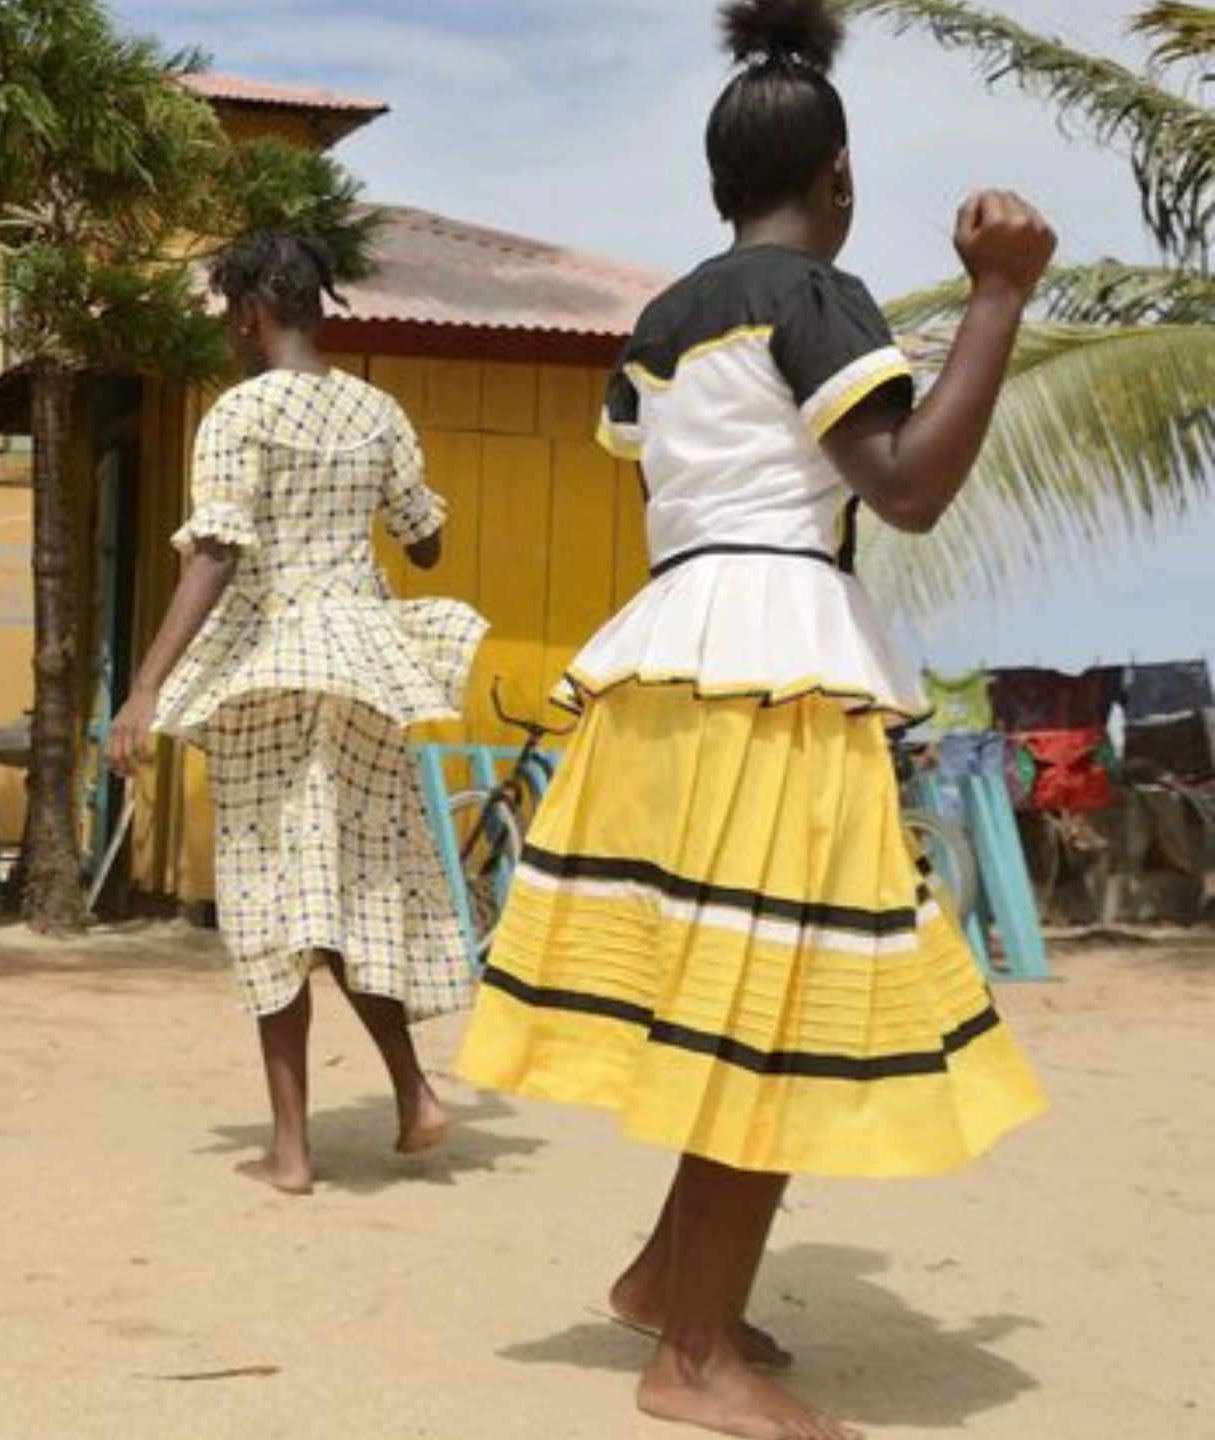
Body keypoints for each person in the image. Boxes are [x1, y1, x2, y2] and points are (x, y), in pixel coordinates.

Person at [449, 4, 1054, 1438]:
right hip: (777, 671)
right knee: (769, 1014)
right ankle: (697, 1362)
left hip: (674, 663)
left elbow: (664, 465)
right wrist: (996, 301)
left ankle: (670, 1285)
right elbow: (902, 486)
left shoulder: (665, 320)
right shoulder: (817, 295)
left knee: (740, 994)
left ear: (721, 187)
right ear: (835, 178)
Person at [108, 229, 487, 1196]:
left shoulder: (241, 413)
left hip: (275, 671)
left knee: (275, 900)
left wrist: (148, 685)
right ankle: (414, 1095)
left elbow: (218, 551)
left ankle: (292, 1147)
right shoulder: (379, 410)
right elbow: (427, 542)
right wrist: (376, 508)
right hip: (364, 667)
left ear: (247, 310)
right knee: (350, 887)